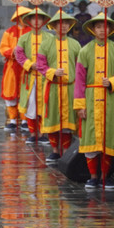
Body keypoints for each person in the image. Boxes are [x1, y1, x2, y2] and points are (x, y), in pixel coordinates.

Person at [74, 14, 114, 190]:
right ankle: (93, 176)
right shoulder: (84, 51)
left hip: (110, 99)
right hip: (90, 97)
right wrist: (80, 106)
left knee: (109, 137)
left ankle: (106, 175)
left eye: (105, 27)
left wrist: (112, 81)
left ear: (110, 30)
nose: (101, 30)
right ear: (92, 29)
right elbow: (80, 80)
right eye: (98, 27)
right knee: (90, 137)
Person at [36, 11, 81, 163]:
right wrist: (53, 72)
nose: (64, 26)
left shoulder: (75, 44)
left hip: (70, 88)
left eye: (67, 23)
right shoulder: (46, 44)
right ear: (54, 25)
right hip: (53, 87)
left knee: (68, 123)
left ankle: (67, 151)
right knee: (53, 120)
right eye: (61, 23)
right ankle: (55, 150)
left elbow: (80, 67)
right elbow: (41, 65)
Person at [14, 8, 53, 142]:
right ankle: (32, 134)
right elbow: (18, 55)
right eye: (34, 19)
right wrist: (30, 64)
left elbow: (53, 55)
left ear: (43, 21)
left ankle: (42, 133)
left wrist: (46, 68)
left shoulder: (50, 37)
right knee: (31, 105)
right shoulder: (24, 38)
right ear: (29, 21)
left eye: (40, 19)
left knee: (44, 104)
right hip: (30, 77)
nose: (37, 21)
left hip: (45, 77)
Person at [0, 6, 31, 131]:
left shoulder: (31, 32)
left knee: (25, 93)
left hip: (26, 66)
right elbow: (3, 48)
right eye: (22, 17)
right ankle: (12, 120)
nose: (25, 19)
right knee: (10, 93)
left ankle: (24, 120)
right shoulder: (9, 31)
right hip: (12, 66)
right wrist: (15, 52)